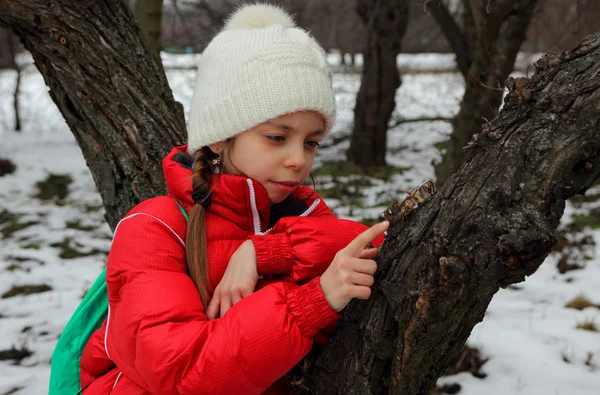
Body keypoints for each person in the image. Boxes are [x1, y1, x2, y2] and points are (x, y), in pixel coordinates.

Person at [78, 4, 388, 394]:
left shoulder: (302, 213)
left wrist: (264, 252)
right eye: (277, 137)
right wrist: (311, 304)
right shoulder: (154, 227)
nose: (298, 160)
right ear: (222, 136)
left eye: (311, 142)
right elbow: (182, 371)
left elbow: (377, 245)